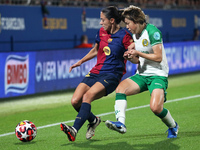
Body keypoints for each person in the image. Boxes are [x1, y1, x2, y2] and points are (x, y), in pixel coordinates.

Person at [60, 6, 134, 142]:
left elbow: (133, 54)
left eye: (102, 20)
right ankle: (94, 121)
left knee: (87, 96)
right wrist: (81, 61)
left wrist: (132, 54)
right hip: (96, 72)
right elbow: (95, 50)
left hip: (112, 75)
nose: (100, 23)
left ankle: (74, 129)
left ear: (112, 20)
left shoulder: (125, 36)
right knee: (75, 101)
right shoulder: (101, 32)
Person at [105, 5, 179, 138]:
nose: (127, 26)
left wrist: (137, 52)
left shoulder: (152, 32)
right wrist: (131, 57)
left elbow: (158, 57)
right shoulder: (135, 34)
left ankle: (173, 126)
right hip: (142, 75)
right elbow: (137, 61)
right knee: (120, 88)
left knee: (156, 108)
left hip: (158, 75)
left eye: (128, 23)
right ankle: (121, 123)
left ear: (136, 21)